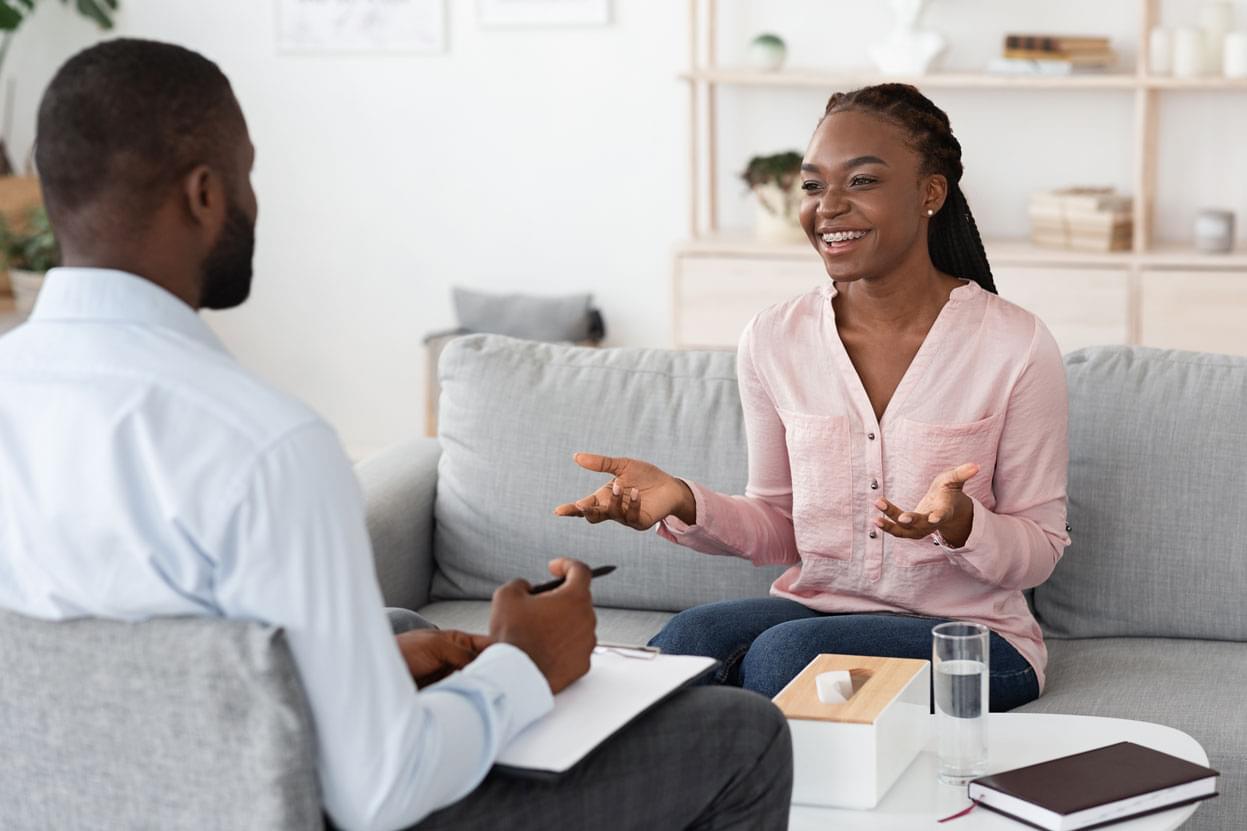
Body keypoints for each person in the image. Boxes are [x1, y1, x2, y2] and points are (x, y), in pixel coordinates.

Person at [0, 39, 792, 831]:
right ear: (205, 193)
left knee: (401, 635)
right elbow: (378, 792)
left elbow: (133, 682)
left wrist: (373, 673)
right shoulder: (262, 446)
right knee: (744, 734)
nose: (254, 201)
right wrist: (524, 665)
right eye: (246, 173)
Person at [557, 83, 1069, 712]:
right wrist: (684, 501)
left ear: (929, 193)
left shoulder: (1015, 343)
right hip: (814, 611)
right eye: (812, 185)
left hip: (976, 641)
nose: (828, 207)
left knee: (786, 657)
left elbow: (1040, 552)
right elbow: (780, 529)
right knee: (689, 641)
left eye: (861, 182)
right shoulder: (775, 338)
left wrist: (963, 524)